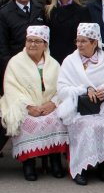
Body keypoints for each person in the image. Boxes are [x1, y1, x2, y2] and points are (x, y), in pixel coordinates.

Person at [0, 25, 69, 181]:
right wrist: (28, 107)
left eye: (37, 41)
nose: (32, 44)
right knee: (24, 121)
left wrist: (53, 103)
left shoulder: (54, 64)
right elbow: (11, 89)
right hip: (24, 106)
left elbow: (62, 88)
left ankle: (55, 160)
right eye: (29, 40)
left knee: (59, 118)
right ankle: (28, 162)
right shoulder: (15, 62)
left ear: (45, 44)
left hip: (48, 107)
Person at [57, 23, 104, 185]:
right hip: (78, 110)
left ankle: (102, 166)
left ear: (94, 42)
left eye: (83, 41)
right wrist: (84, 89)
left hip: (102, 109)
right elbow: (61, 89)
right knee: (86, 126)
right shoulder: (70, 61)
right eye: (77, 41)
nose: (79, 45)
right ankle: (80, 168)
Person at [0, 0, 45, 92]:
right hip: (16, 65)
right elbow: (2, 44)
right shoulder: (4, 13)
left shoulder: (41, 9)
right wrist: (9, 66)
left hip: (40, 64)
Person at [45, 0, 90, 64]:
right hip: (53, 58)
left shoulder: (82, 11)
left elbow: (86, 37)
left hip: (75, 58)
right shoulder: (48, 11)